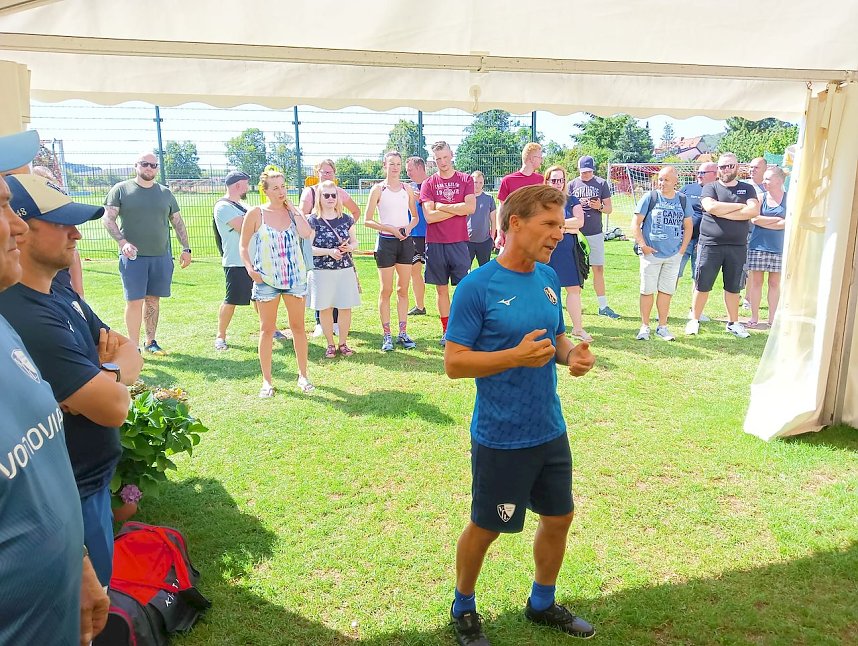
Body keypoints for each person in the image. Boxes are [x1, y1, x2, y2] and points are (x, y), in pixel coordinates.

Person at [444, 184, 596, 645]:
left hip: (548, 428)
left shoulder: (548, 277)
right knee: (487, 526)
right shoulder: (477, 286)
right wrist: (513, 356)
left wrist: (571, 356)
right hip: (501, 435)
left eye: (561, 224)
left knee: (559, 517)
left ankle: (542, 602)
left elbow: (556, 338)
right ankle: (463, 607)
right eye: (549, 224)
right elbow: (454, 363)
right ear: (515, 223)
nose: (559, 233)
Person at [0, 172, 144, 588]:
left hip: (87, 485)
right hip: (66, 495)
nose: (76, 234)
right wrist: (111, 378)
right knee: (85, 605)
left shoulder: (60, 291)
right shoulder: (27, 315)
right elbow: (114, 408)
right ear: (24, 229)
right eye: (62, 223)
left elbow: (129, 350)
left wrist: (106, 373)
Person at [0, 130, 108, 646]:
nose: (17, 227)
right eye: (1, 206)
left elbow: (34, 472)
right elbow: (110, 402)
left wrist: (77, 561)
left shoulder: (4, 329)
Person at [103, 152, 192, 354]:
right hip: (133, 257)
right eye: (145, 164)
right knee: (134, 301)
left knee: (153, 300)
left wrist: (186, 248)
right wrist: (122, 242)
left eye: (153, 165)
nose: (149, 168)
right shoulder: (121, 189)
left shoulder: (165, 193)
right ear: (136, 166)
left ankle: (150, 342)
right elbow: (108, 219)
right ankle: (133, 346)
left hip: (160, 256)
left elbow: (177, 222)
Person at [240, 167, 315, 396]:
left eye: (283, 186)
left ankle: (303, 376)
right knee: (267, 329)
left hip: (294, 278)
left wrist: (294, 209)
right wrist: (250, 269)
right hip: (266, 279)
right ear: (265, 191)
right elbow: (243, 245)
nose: (281, 191)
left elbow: (306, 233)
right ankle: (267, 381)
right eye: (275, 188)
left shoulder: (292, 213)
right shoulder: (256, 214)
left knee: (298, 327)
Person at [686, 153, 760, 338]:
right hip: (710, 244)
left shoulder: (747, 188)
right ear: (718, 169)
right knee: (702, 284)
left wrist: (722, 210)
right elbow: (711, 207)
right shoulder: (710, 187)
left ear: (737, 167)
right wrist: (739, 207)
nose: (726, 170)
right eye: (722, 167)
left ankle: (733, 323)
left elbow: (753, 210)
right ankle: (694, 320)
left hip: (737, 246)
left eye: (730, 166)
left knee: (734, 287)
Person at [420, 141, 476, 346]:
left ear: (451, 155)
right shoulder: (429, 183)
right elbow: (429, 217)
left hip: (459, 242)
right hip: (435, 243)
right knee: (441, 290)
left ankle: (465, 330)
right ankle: (447, 331)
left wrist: (441, 205)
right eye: (438, 159)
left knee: (463, 289)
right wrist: (456, 209)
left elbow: (470, 208)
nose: (442, 162)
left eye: (445, 157)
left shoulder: (465, 179)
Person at [300, 159, 362, 338]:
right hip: (320, 260)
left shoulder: (340, 196)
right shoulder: (310, 192)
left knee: (341, 296)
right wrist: (317, 224)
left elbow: (355, 213)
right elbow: (301, 216)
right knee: (322, 296)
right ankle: (320, 323)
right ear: (317, 173)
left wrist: (345, 235)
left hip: (342, 261)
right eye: (323, 172)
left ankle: (337, 326)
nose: (330, 198)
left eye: (330, 172)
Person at [364, 151, 419, 351]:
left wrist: (408, 228)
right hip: (386, 243)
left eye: (398, 164)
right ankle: (387, 335)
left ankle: (402, 333)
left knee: (402, 289)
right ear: (385, 165)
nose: (395, 167)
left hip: (405, 242)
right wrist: (389, 229)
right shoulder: (378, 189)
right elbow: (367, 220)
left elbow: (415, 216)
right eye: (391, 164)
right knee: (385, 290)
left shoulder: (407, 189)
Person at [631, 166, 693, 341]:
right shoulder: (650, 197)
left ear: (675, 182)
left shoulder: (682, 200)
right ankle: (645, 327)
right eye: (660, 179)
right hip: (651, 254)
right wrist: (643, 246)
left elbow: (688, 226)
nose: (662, 183)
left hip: (673, 255)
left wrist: (682, 249)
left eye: (666, 180)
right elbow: (635, 223)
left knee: (666, 291)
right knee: (647, 290)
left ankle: (662, 327)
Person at [543, 165, 591, 342]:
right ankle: (548, 329)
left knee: (574, 289)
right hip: (546, 251)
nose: (558, 183)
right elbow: (543, 222)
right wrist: (566, 226)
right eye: (554, 180)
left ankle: (578, 329)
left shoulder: (572, 200)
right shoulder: (540, 202)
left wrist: (559, 224)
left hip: (568, 252)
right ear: (547, 181)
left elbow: (580, 222)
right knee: (546, 290)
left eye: (561, 180)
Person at [568, 155, 619, 319]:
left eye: (588, 171)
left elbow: (609, 209)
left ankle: (603, 306)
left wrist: (600, 206)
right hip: (576, 233)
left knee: (598, 268)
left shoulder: (601, 183)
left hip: (595, 233)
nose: (586, 174)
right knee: (575, 270)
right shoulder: (572, 185)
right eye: (583, 172)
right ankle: (575, 304)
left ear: (593, 170)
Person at [213, 170, 252, 350]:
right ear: (238, 185)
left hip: (254, 260)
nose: (248, 188)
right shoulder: (223, 207)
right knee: (232, 299)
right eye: (246, 184)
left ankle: (270, 329)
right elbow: (243, 227)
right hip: (236, 262)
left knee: (262, 298)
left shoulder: (243, 205)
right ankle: (220, 336)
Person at [746, 166, 787, 328]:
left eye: (768, 179)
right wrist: (777, 221)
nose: (764, 182)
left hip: (779, 247)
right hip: (758, 246)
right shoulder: (761, 197)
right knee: (756, 282)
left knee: (775, 283)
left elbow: (788, 223)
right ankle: (754, 317)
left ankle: (772, 318)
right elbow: (754, 219)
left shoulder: (789, 199)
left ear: (779, 180)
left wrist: (765, 221)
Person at [679, 162, 717, 321]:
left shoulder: (718, 191)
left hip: (704, 242)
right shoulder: (687, 189)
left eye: (703, 172)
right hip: (683, 240)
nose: (699, 175)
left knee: (699, 277)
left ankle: (695, 312)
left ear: (714, 174)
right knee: (673, 274)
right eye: (698, 172)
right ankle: (663, 309)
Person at [495, 142, 544, 248]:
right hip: (513, 235)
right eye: (540, 157)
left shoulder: (541, 180)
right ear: (532, 159)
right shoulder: (508, 181)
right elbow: (501, 209)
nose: (542, 161)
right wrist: (499, 233)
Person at [406, 156, 429, 315]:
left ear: (420, 168)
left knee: (439, 275)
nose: (408, 173)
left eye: (410, 170)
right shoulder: (408, 188)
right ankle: (420, 306)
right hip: (413, 236)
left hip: (432, 235)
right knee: (415, 271)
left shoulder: (433, 184)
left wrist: (421, 198)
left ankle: (448, 307)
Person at [468, 171, 496, 267]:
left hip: (484, 241)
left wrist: (492, 237)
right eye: (475, 182)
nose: (478, 185)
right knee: (464, 270)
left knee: (485, 270)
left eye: (480, 182)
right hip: (468, 241)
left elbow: (493, 220)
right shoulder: (466, 198)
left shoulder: (489, 198)